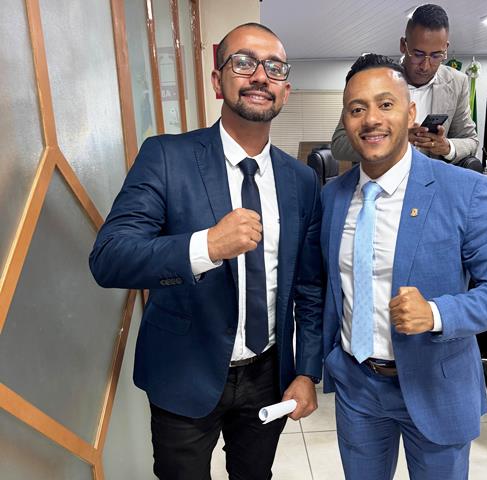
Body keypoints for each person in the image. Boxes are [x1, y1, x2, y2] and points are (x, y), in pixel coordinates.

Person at [89, 23, 323, 480]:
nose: (260, 76)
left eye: (275, 68)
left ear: (286, 90)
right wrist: (206, 246)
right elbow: (109, 257)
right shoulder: (165, 157)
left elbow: (310, 288)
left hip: (268, 375)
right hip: (184, 370)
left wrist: (307, 371)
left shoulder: (301, 180)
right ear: (218, 80)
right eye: (244, 62)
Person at [320, 54, 487, 480]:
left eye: (386, 104)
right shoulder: (332, 196)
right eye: (357, 109)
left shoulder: (465, 190)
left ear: (411, 113)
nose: (371, 119)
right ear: (345, 121)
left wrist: (436, 313)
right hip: (358, 387)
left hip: (437, 386)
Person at [331, 4, 480, 169]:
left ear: (446, 49)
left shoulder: (458, 82)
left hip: (434, 178)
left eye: (436, 55)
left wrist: (447, 147)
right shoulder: (376, 78)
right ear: (403, 45)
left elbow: (470, 140)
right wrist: (396, 140)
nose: (425, 66)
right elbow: (339, 145)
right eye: (418, 54)